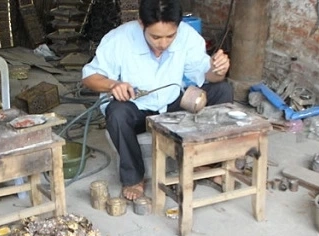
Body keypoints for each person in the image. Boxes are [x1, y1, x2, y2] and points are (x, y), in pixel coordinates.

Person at [82, 0, 233, 201]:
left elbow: (207, 76)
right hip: (137, 109)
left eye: (170, 36)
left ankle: (207, 163)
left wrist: (218, 71)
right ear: (141, 23)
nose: (163, 43)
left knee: (222, 90)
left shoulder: (187, 36)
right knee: (117, 113)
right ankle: (134, 178)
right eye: (155, 37)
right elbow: (89, 77)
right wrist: (112, 85)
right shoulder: (119, 39)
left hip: (172, 104)